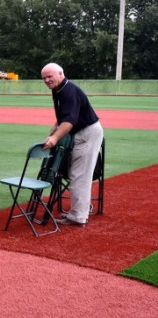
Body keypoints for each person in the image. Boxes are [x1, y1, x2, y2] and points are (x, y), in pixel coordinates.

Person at [40, 63, 104, 226]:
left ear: (61, 74)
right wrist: (55, 127)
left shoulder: (69, 91)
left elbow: (69, 122)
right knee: (73, 173)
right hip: (80, 132)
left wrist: (54, 138)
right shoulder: (59, 89)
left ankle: (78, 216)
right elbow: (64, 115)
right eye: (44, 78)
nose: (47, 80)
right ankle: (82, 206)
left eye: (50, 76)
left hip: (87, 133)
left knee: (79, 176)